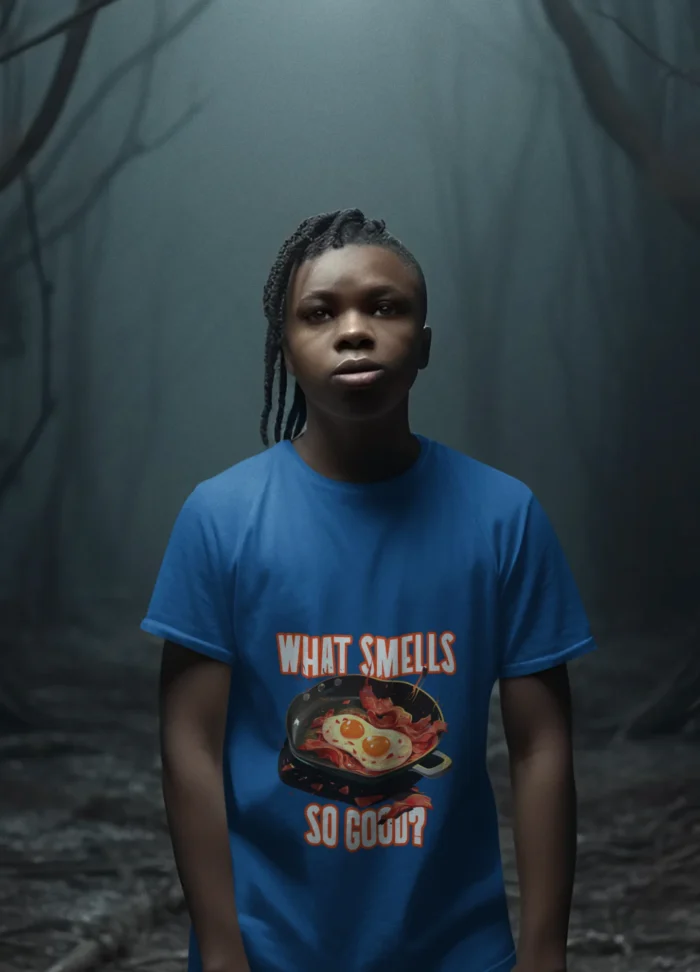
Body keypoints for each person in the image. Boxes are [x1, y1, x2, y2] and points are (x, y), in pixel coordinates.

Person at [141, 209, 596, 972]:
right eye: (320, 313)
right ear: (285, 349)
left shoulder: (503, 516)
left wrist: (545, 951)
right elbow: (189, 746)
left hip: (459, 950)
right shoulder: (219, 518)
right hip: (271, 949)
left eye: (385, 307)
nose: (354, 330)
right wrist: (222, 950)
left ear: (424, 344)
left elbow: (542, 745)